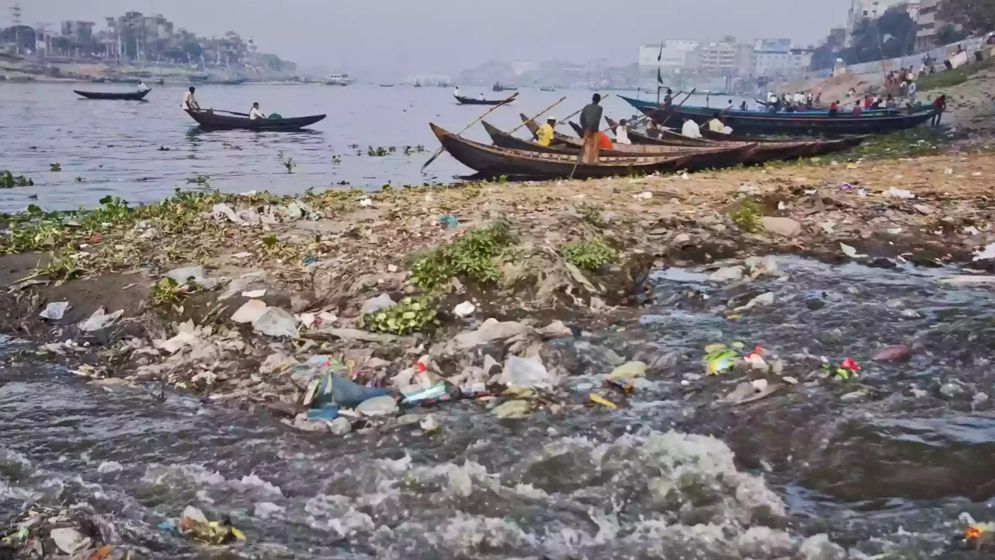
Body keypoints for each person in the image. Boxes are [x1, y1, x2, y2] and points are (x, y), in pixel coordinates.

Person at [578, 93, 604, 164]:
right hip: (593, 129)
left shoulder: (586, 107)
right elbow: (596, 120)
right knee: (593, 146)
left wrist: (585, 127)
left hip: (587, 128)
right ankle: (591, 162)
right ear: (599, 100)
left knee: (587, 145)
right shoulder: (600, 108)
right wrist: (591, 129)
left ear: (592, 99)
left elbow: (581, 118)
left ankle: (585, 160)